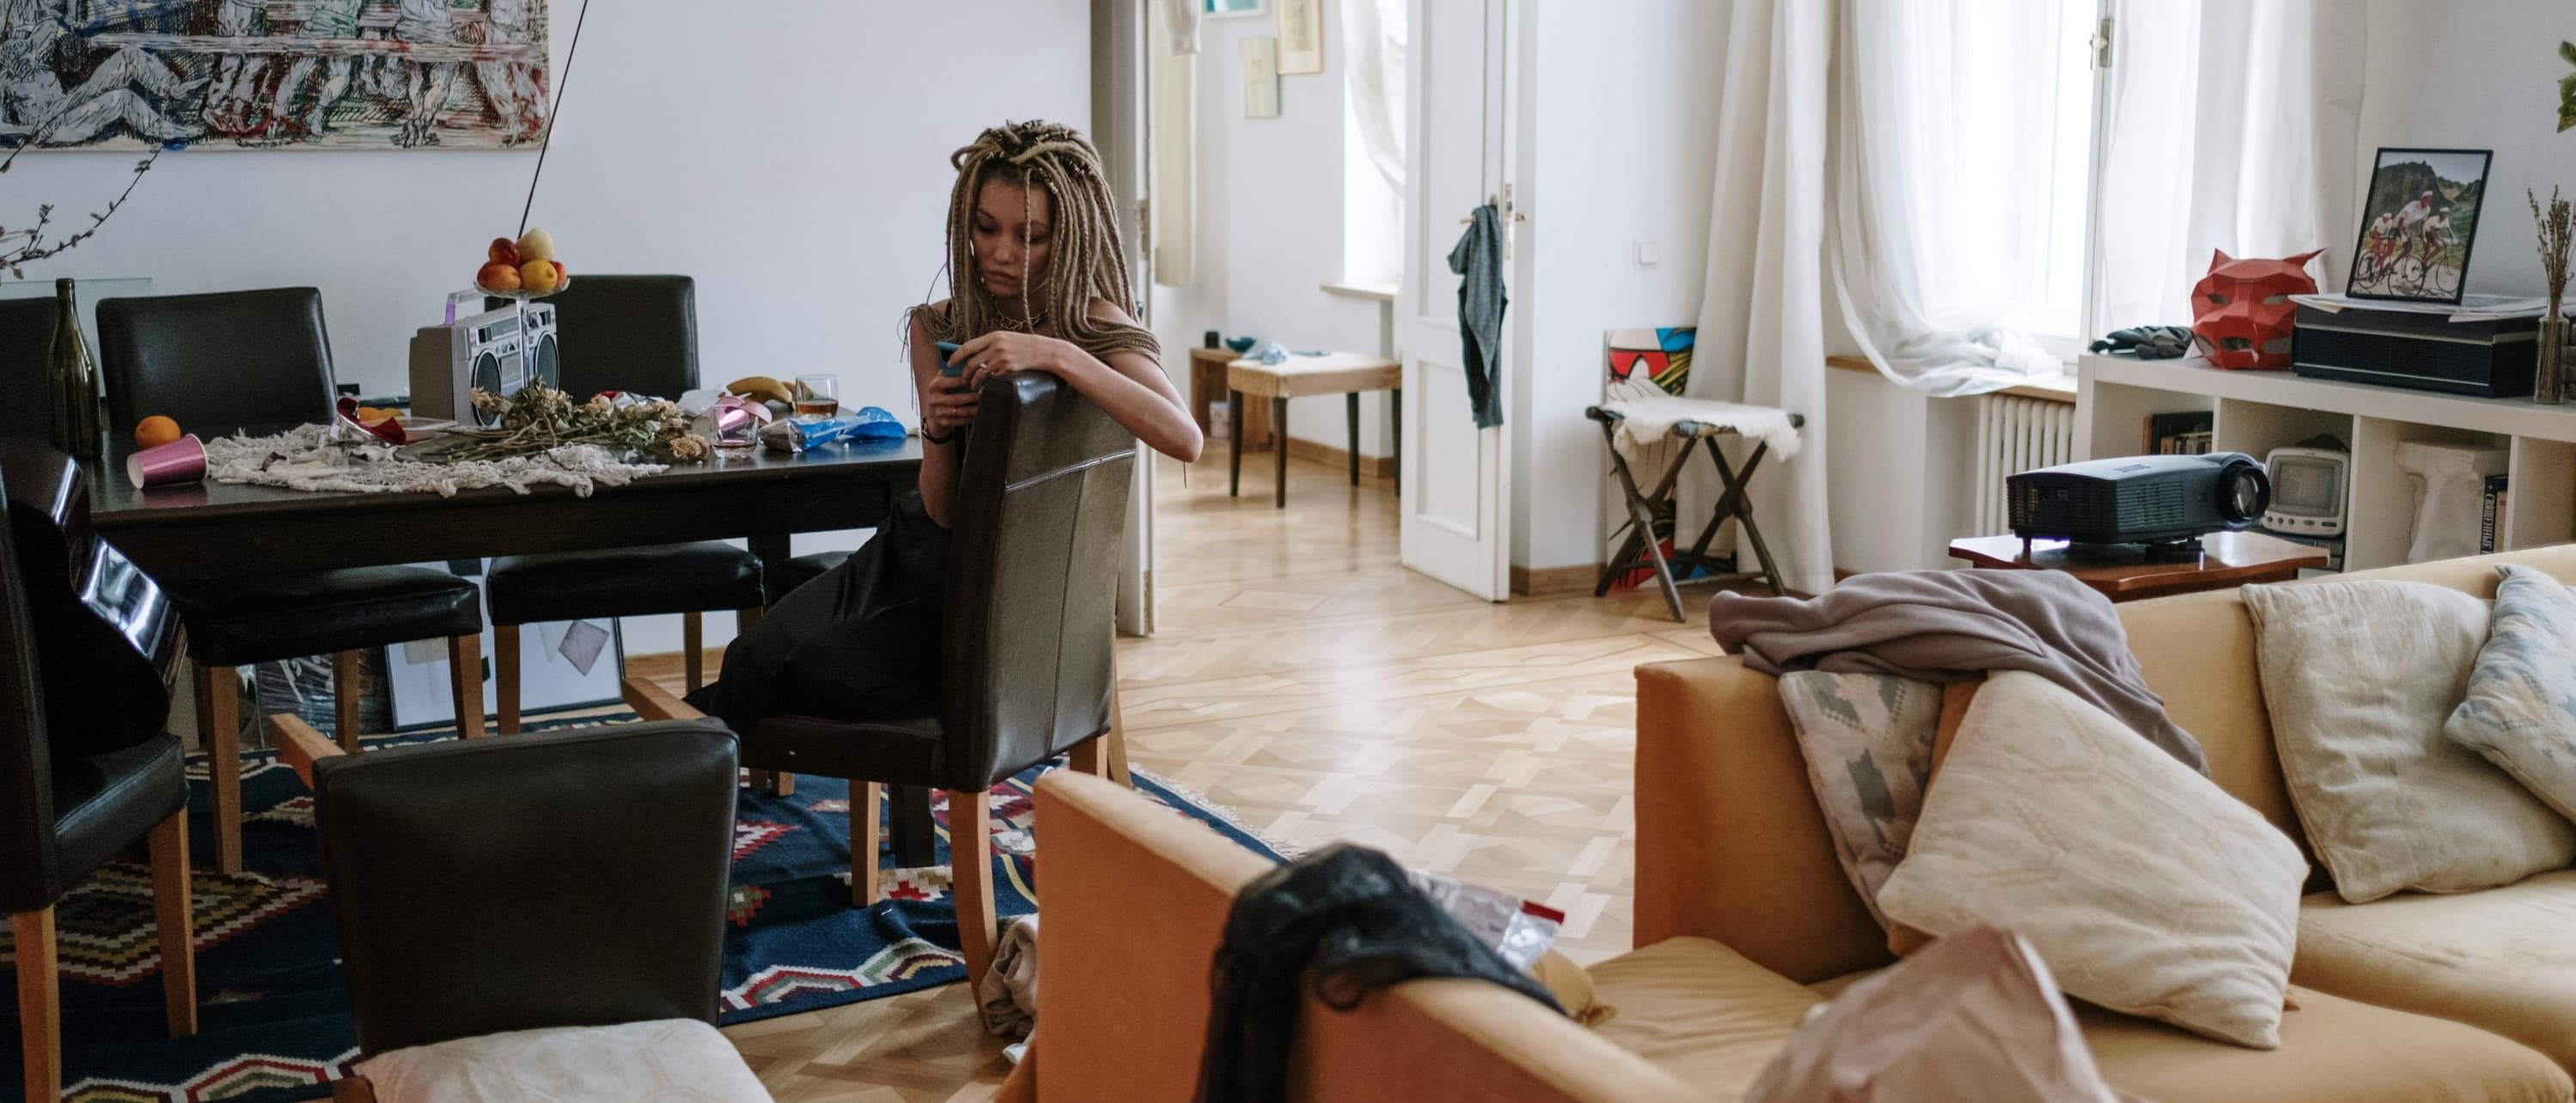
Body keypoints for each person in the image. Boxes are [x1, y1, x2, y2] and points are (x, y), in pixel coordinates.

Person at [690, 120, 1203, 734]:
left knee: (800, 671)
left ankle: (673, 764)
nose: (1002, 252)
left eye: (1030, 236)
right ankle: (678, 770)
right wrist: (934, 431)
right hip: (918, 558)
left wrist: (1059, 355)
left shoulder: (1094, 326)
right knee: (756, 658)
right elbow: (942, 511)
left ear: (1066, 239)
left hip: (1011, 594)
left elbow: (1185, 438)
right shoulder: (939, 325)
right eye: (986, 229)